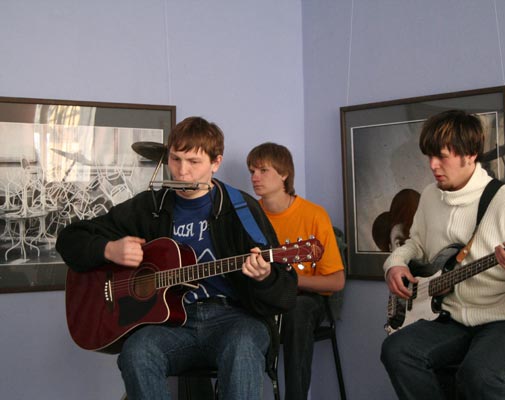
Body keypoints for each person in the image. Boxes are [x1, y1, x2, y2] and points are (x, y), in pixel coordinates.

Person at [56, 117, 298, 400]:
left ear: (216, 162)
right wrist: (108, 249)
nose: (182, 171)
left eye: (194, 162)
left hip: (235, 319)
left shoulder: (242, 209)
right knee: (137, 352)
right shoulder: (151, 207)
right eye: (175, 159)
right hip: (173, 324)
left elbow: (285, 289)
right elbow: (70, 239)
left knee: (243, 347)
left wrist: (265, 277)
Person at [380, 110, 505, 399]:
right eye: (429, 156)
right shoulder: (430, 196)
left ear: (470, 155)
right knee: (397, 350)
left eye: (441, 156)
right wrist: (395, 263)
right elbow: (416, 244)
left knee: (477, 374)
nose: (432, 165)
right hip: (454, 319)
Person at [247, 142, 345, 400]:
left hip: (305, 300)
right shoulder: (248, 215)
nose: (255, 177)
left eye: (263, 170)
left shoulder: (314, 215)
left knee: (297, 311)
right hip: (260, 298)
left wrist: (291, 281)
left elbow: (336, 282)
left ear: (284, 174)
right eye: (252, 171)